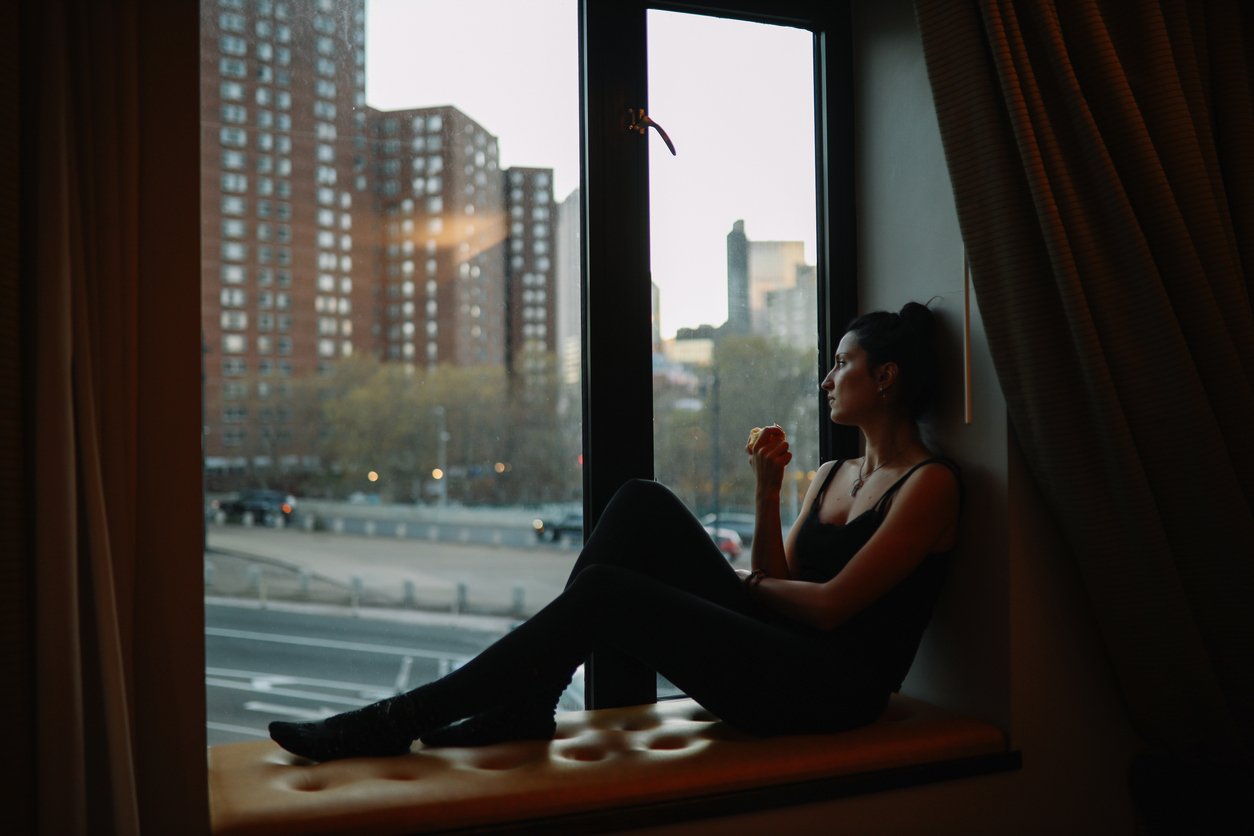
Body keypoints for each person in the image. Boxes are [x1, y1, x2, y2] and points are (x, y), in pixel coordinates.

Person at [269, 301, 962, 762]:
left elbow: (835, 604)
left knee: (605, 590)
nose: (828, 379)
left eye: (843, 363)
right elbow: (780, 585)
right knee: (639, 500)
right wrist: (768, 492)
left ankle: (394, 721)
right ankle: (530, 704)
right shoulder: (835, 471)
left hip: (832, 692)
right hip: (782, 652)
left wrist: (745, 585)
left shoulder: (930, 485)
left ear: (888, 378)